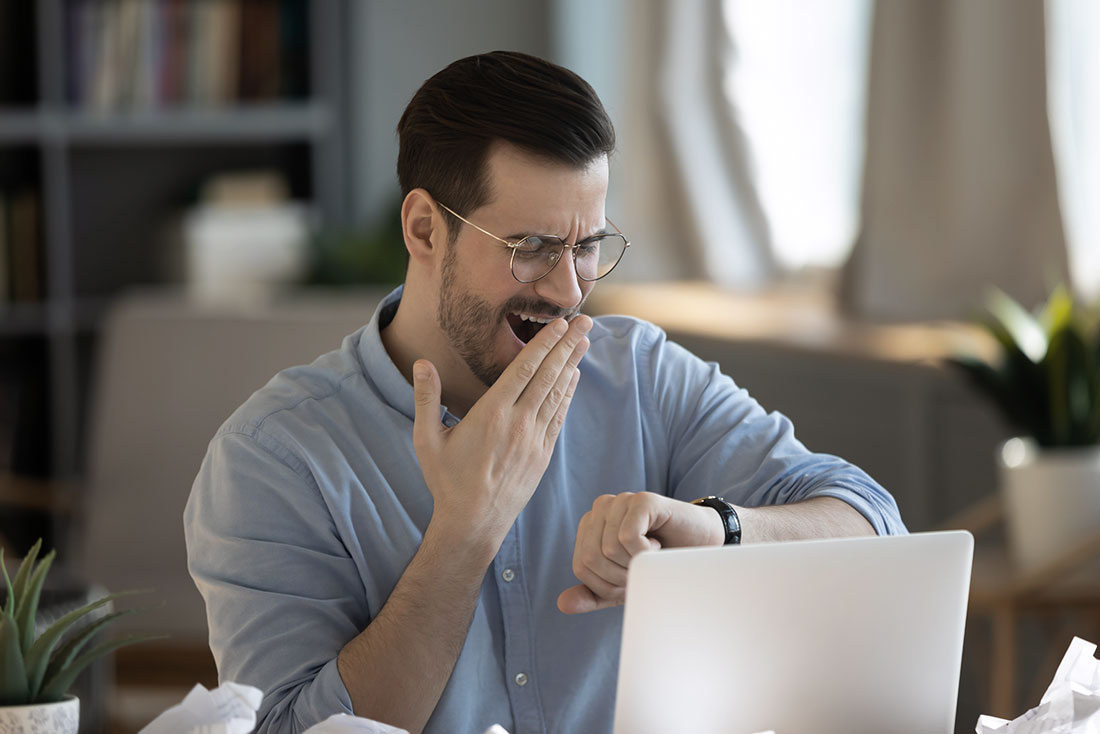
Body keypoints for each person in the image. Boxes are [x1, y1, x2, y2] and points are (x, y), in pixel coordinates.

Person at [184, 51, 906, 734]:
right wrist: (464, 535)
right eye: (530, 248)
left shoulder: (639, 375)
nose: (567, 290)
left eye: (587, 245)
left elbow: (872, 523)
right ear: (425, 228)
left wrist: (717, 530)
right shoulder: (274, 458)